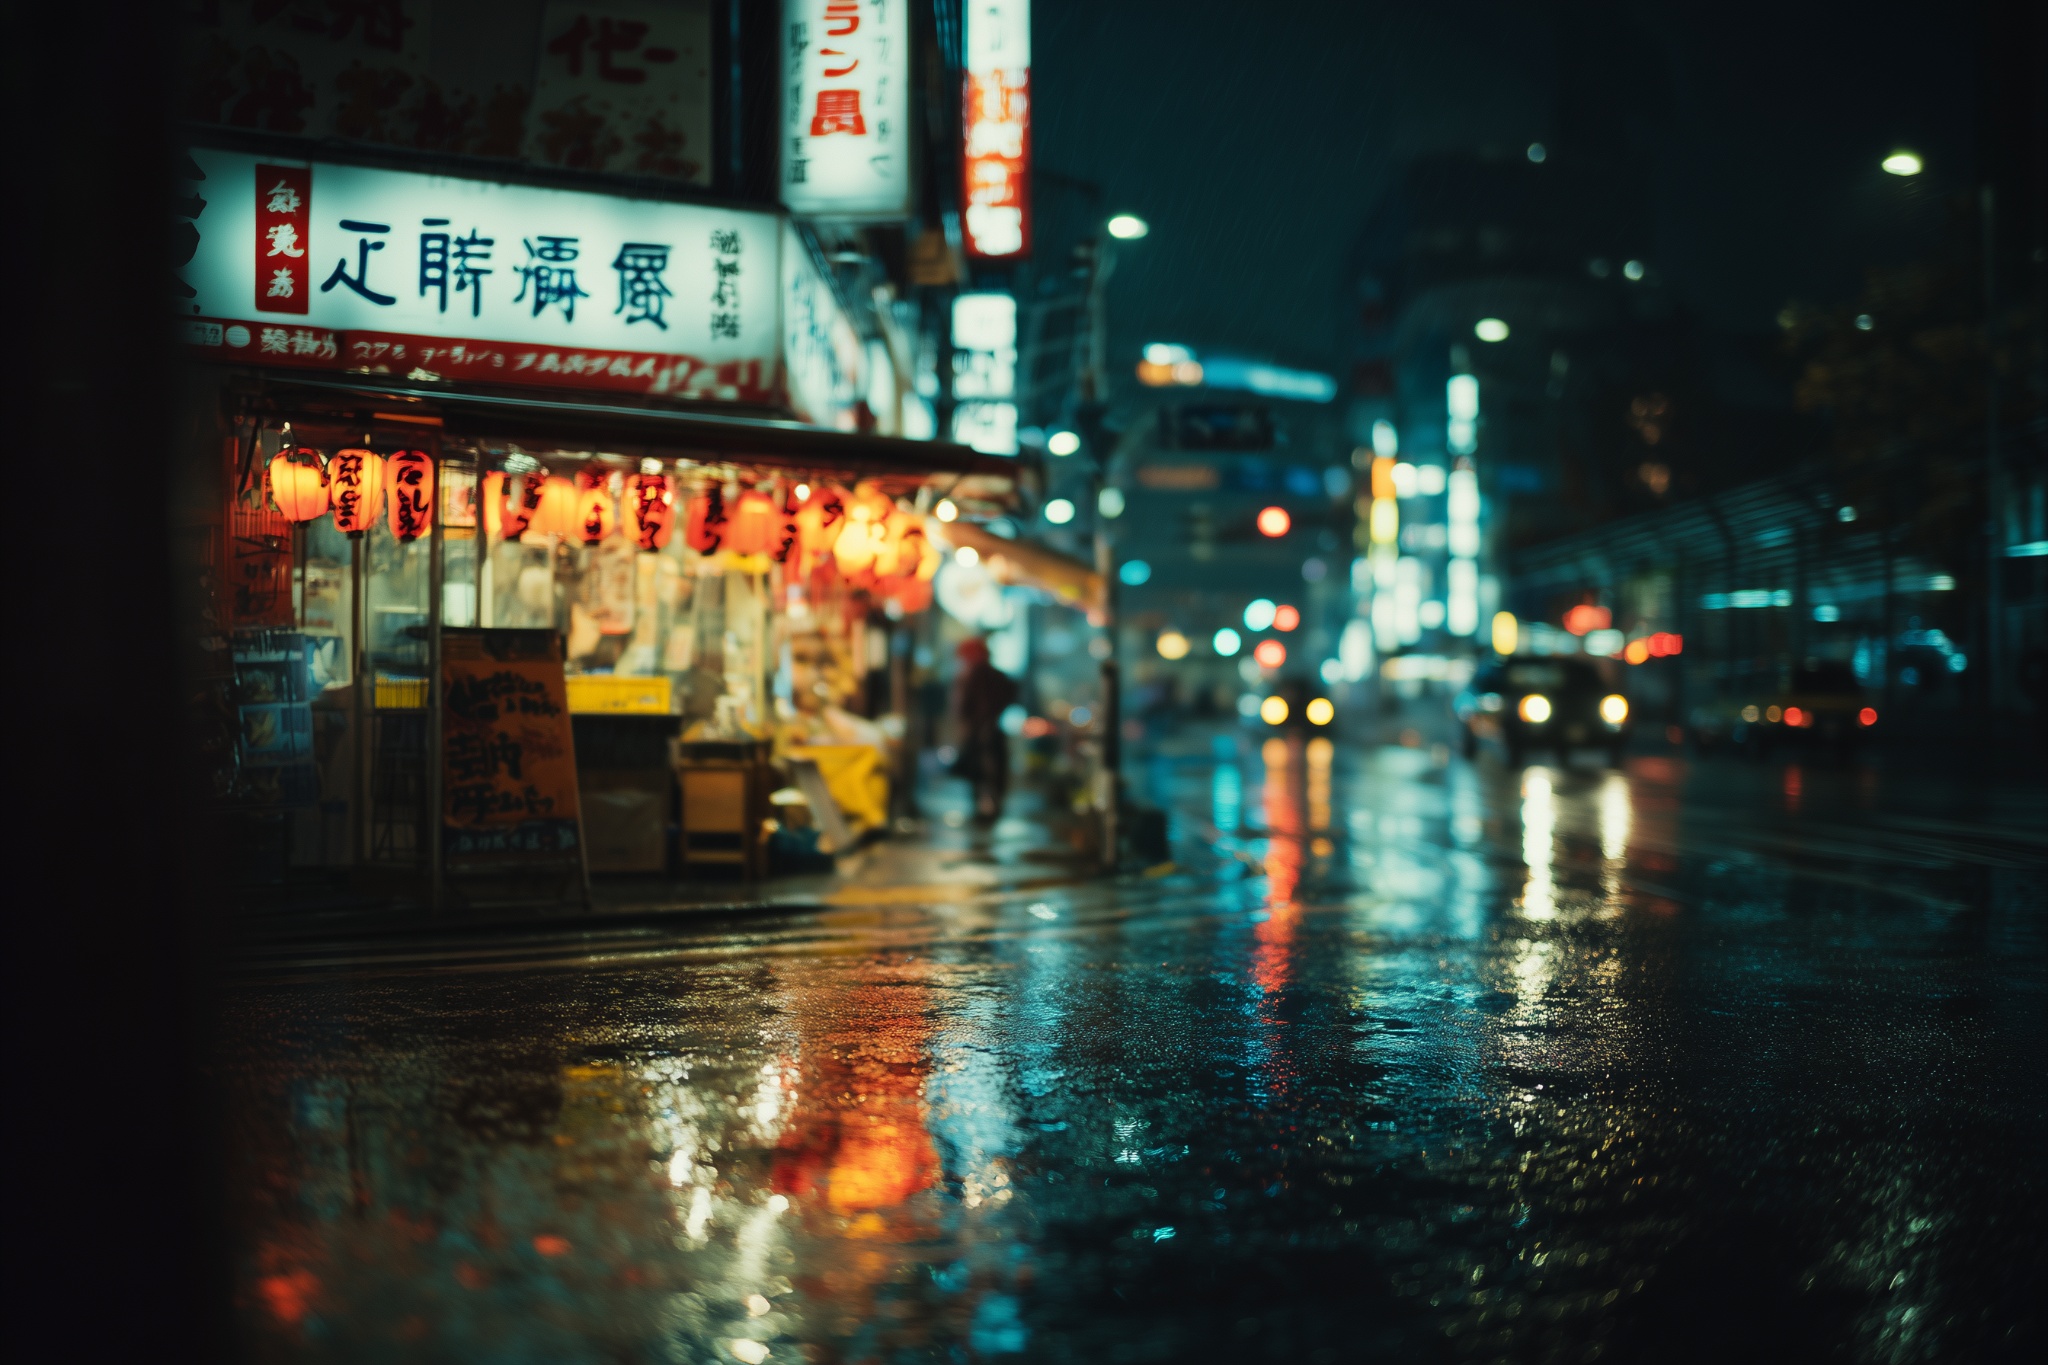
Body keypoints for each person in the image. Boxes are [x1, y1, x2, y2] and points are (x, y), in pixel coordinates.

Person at [951, 637, 1018, 821]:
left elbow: (970, 705)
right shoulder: (988, 674)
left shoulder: (978, 674)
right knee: (986, 769)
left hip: (983, 730)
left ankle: (986, 805)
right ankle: (988, 804)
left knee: (983, 768)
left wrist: (977, 722)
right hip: (988, 728)